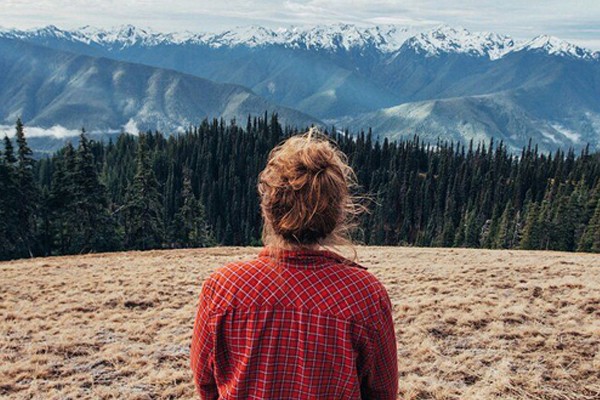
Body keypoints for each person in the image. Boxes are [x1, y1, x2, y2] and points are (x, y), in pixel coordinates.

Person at [190, 128, 398, 399]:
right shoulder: (365, 294)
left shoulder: (223, 287)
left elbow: (205, 384)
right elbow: (382, 393)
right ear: (337, 214)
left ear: (268, 207)